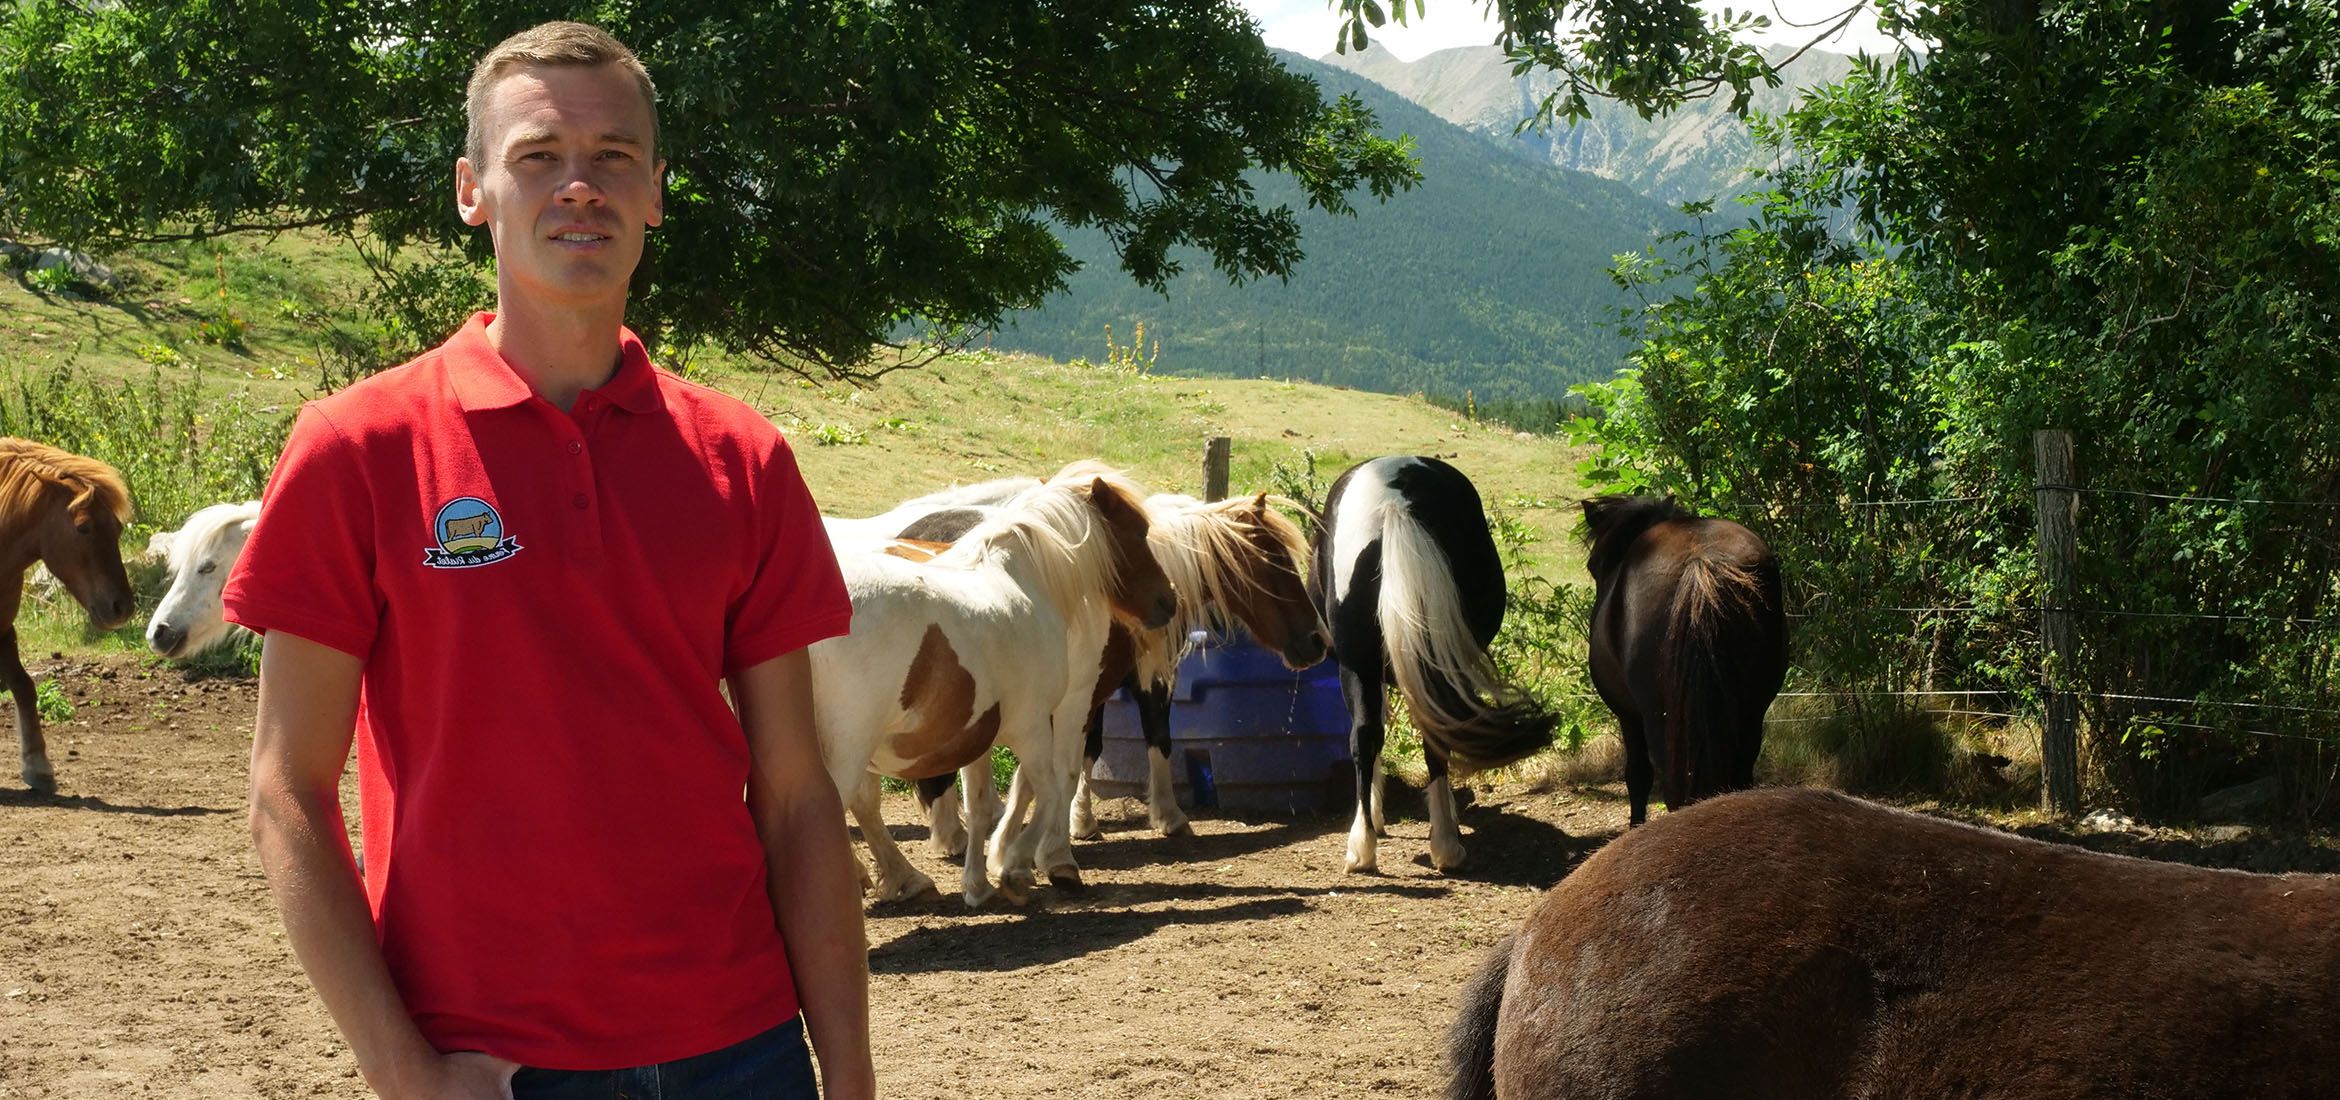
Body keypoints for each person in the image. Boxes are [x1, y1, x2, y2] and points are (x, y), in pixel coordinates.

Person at [228, 21, 875, 1100]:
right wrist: (403, 1070)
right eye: (538, 156)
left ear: (657, 191)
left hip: (746, 1048)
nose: (580, 185)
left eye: (614, 156)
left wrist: (846, 1070)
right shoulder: (359, 447)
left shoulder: (742, 456)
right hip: (491, 1063)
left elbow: (800, 798)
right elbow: (285, 789)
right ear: (472, 189)